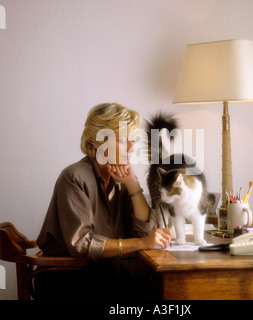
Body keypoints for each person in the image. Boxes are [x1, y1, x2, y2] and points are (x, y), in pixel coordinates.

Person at [34, 102, 172, 300]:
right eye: (124, 140)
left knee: (159, 287)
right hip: (68, 279)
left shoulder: (122, 178)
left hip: (106, 276)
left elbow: (147, 232)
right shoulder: (74, 177)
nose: (132, 147)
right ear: (98, 141)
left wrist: (132, 184)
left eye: (133, 140)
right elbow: (82, 244)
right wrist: (142, 242)